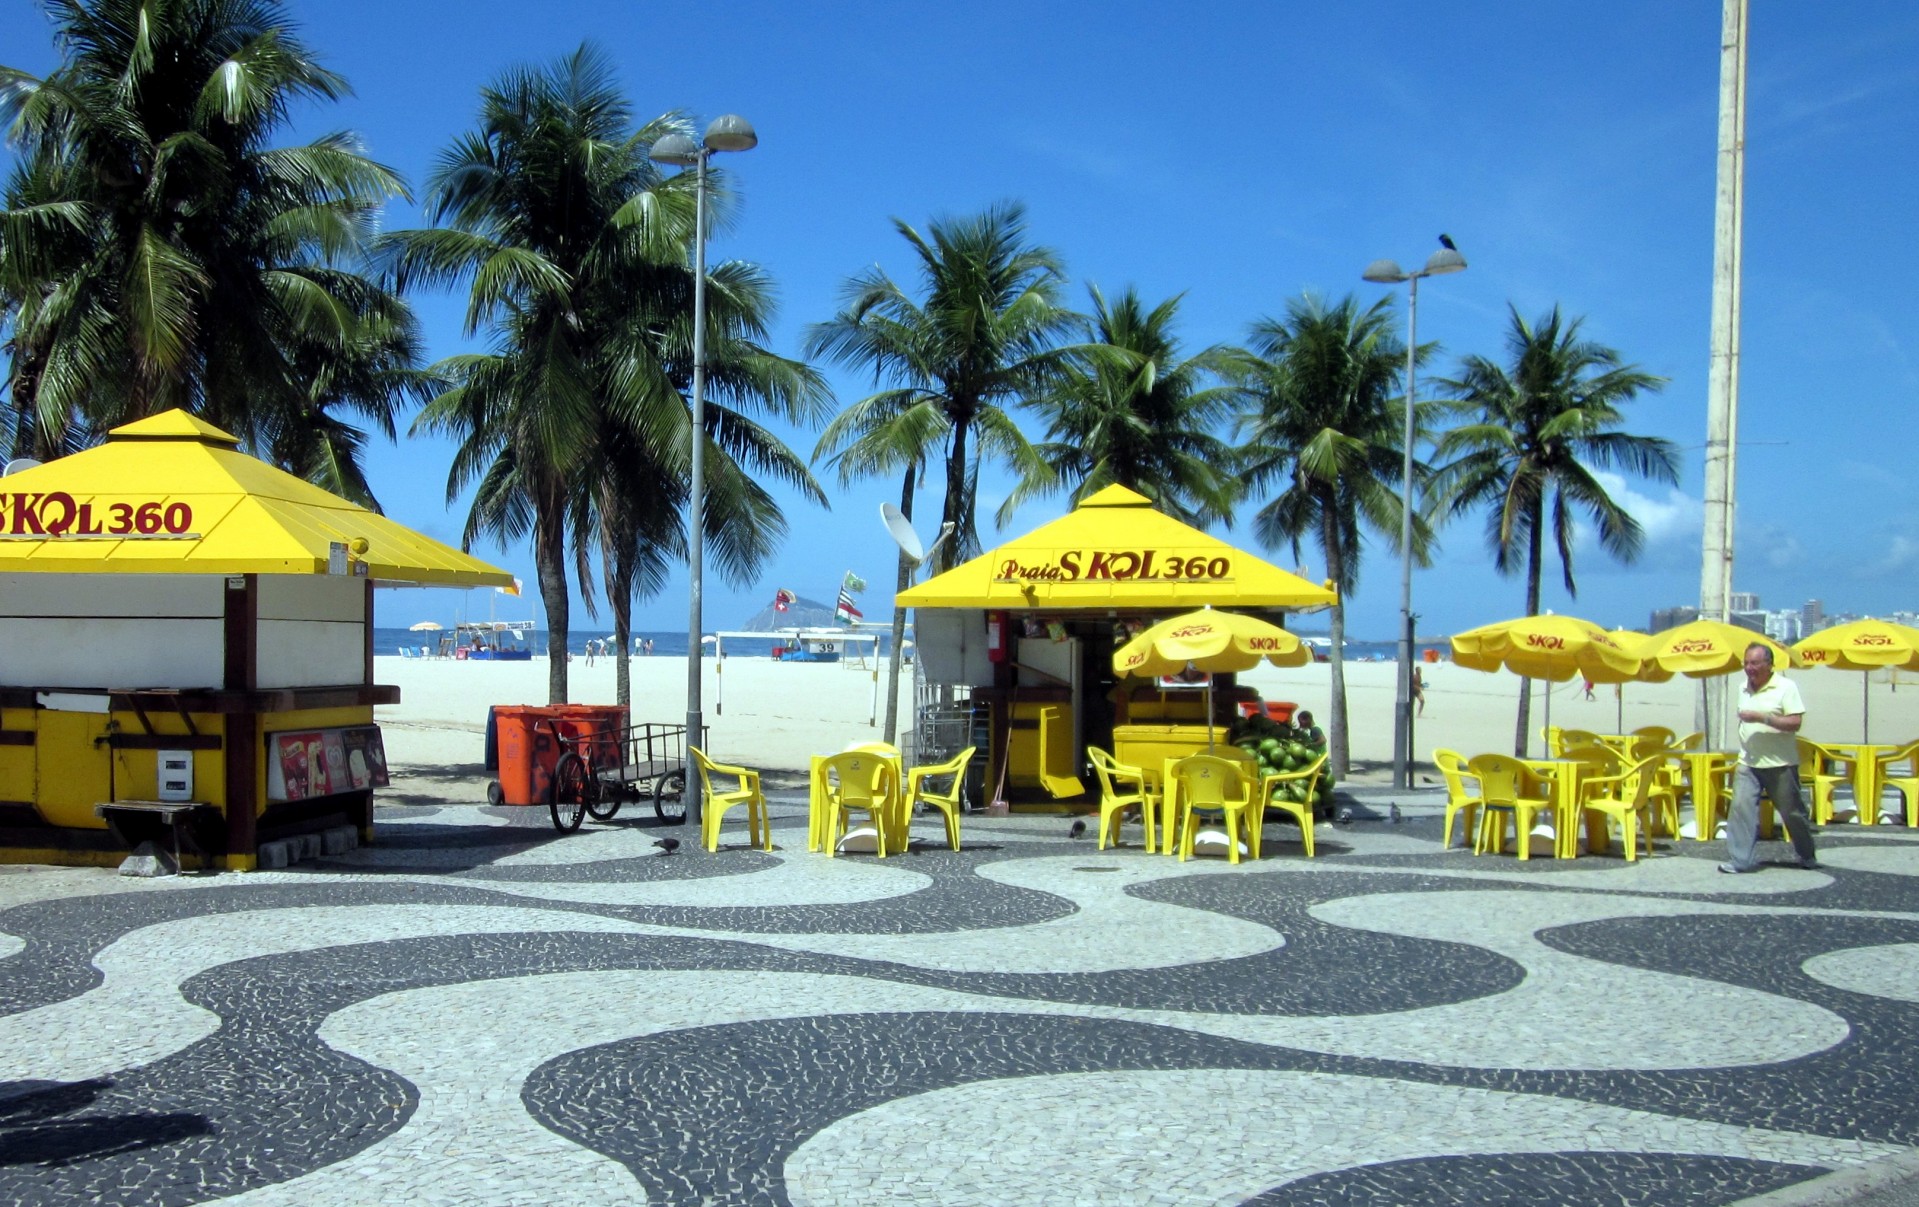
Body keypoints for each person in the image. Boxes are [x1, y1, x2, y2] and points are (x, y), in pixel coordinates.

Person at [1720, 642, 1817, 874]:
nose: (1749, 668)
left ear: (1769, 664)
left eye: (1754, 663)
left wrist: (1763, 718)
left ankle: (1807, 854)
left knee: (1792, 813)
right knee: (1741, 809)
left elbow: (1795, 723)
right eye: (1746, 663)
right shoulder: (1743, 687)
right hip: (1748, 762)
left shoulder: (1786, 687)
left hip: (1780, 764)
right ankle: (1740, 860)